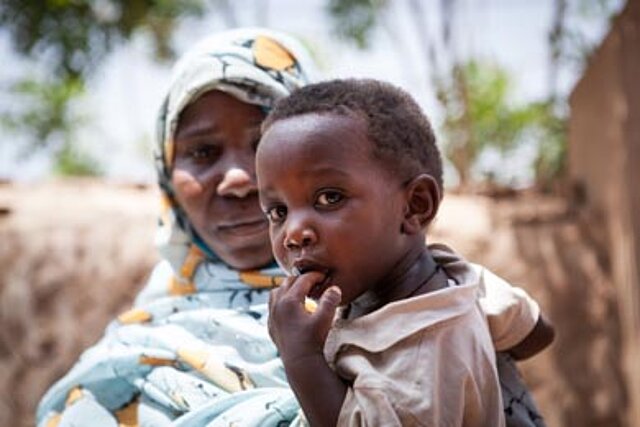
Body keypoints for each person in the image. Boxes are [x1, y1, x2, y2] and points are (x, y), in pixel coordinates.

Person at [36, 28, 552, 427]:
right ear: (168, 177)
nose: (240, 180)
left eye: (260, 145)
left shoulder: (423, 291)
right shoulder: (132, 354)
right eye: (202, 152)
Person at [256, 78, 554, 426]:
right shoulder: (459, 278)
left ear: (414, 206)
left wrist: (301, 359)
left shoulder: (417, 367)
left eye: (329, 197)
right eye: (278, 211)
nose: (293, 233)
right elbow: (536, 331)